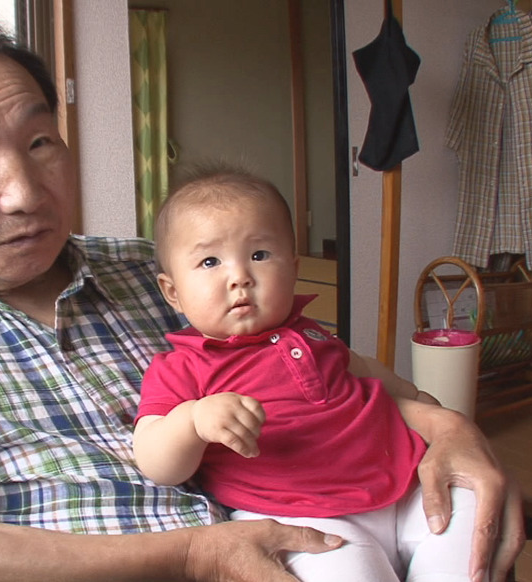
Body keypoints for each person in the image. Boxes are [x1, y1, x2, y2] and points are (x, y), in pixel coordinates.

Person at [0, 17, 524, 582]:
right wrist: (194, 554)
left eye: (40, 143)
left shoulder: (151, 270)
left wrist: (446, 427)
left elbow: (322, 378)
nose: (24, 191)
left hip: (303, 538)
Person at [134, 166, 483, 581]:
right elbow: (155, 461)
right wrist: (193, 421)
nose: (240, 277)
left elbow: (366, 369)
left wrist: (422, 401)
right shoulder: (182, 367)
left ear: (293, 267)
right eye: (210, 261)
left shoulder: (312, 333)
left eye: (260, 255)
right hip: (305, 522)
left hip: (405, 484)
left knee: (471, 519)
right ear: (172, 291)